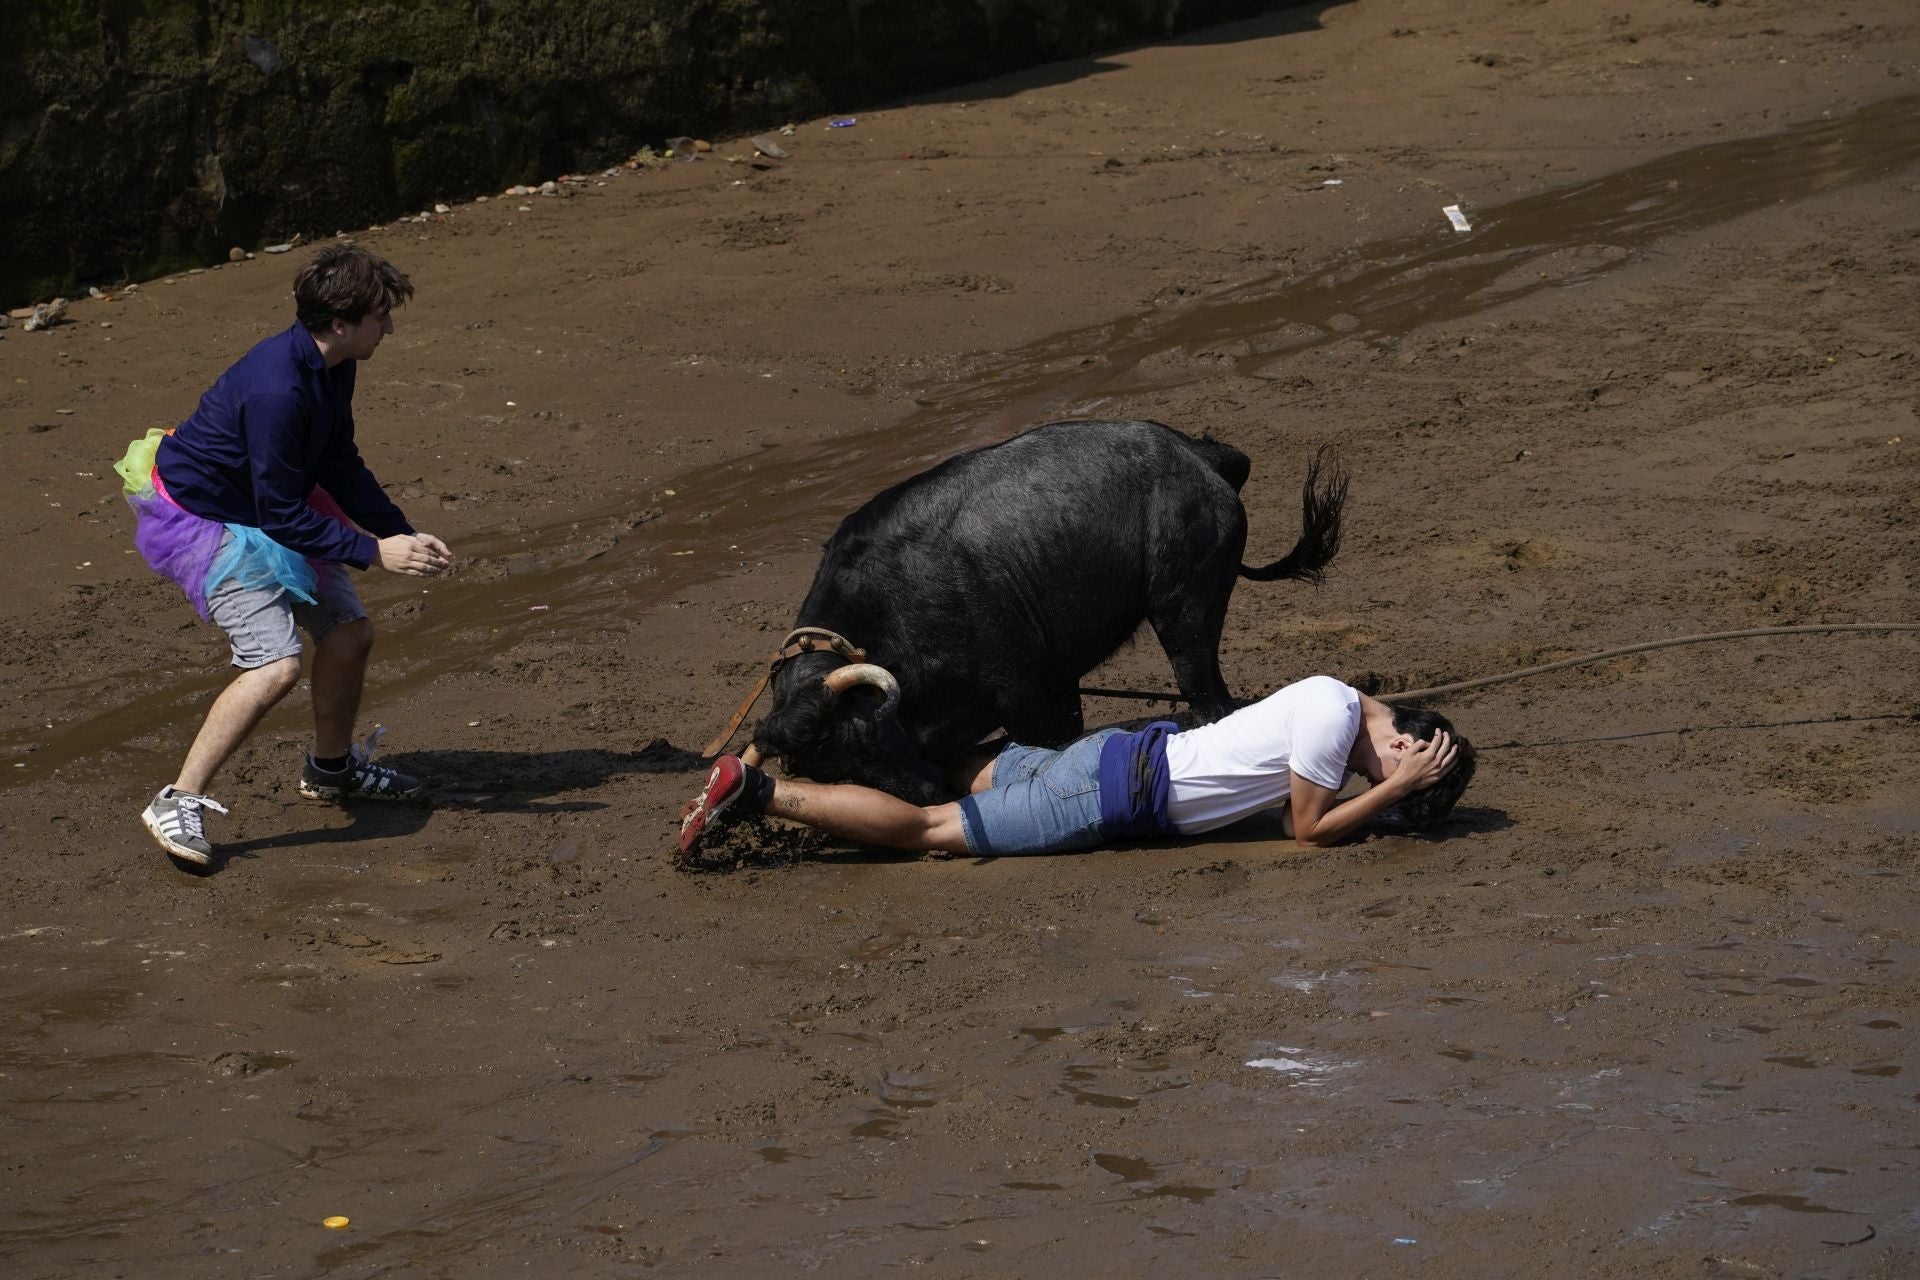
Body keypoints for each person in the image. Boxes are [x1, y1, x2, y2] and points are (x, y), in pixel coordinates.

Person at [116, 245, 454, 867]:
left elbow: (337, 461)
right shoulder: (278, 389)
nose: (390, 328)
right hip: (209, 518)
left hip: (270, 502)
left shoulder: (336, 364)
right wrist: (373, 552)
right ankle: (176, 799)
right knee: (274, 665)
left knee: (350, 632)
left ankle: (331, 770)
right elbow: (279, 515)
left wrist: (398, 532)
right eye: (381, 316)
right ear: (340, 323)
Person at [679, 674, 1475, 857]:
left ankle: (861, 744)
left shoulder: (1333, 702)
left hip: (1115, 757)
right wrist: (1396, 794)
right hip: (1111, 793)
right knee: (929, 829)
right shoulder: (1336, 718)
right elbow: (1308, 831)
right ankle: (761, 791)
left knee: (958, 772)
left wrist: (1390, 789)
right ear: (1408, 745)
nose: (1372, 781)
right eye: (1387, 774)